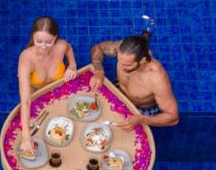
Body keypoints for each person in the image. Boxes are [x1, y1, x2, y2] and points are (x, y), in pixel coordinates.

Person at [88, 32, 179, 129]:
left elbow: (173, 118)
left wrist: (141, 119)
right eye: (119, 60)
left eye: (127, 65)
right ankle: (145, 36)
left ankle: (145, 36)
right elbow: (98, 48)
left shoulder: (157, 79)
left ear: (142, 61)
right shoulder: (123, 50)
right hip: (120, 90)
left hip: (140, 110)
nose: (122, 67)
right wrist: (99, 71)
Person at [17, 16, 77, 156]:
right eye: (38, 41)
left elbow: (69, 49)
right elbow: (25, 101)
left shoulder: (61, 46)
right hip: (36, 95)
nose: (43, 47)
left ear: (55, 38)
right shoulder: (26, 58)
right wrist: (26, 138)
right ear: (33, 36)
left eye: (49, 42)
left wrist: (72, 66)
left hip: (58, 92)